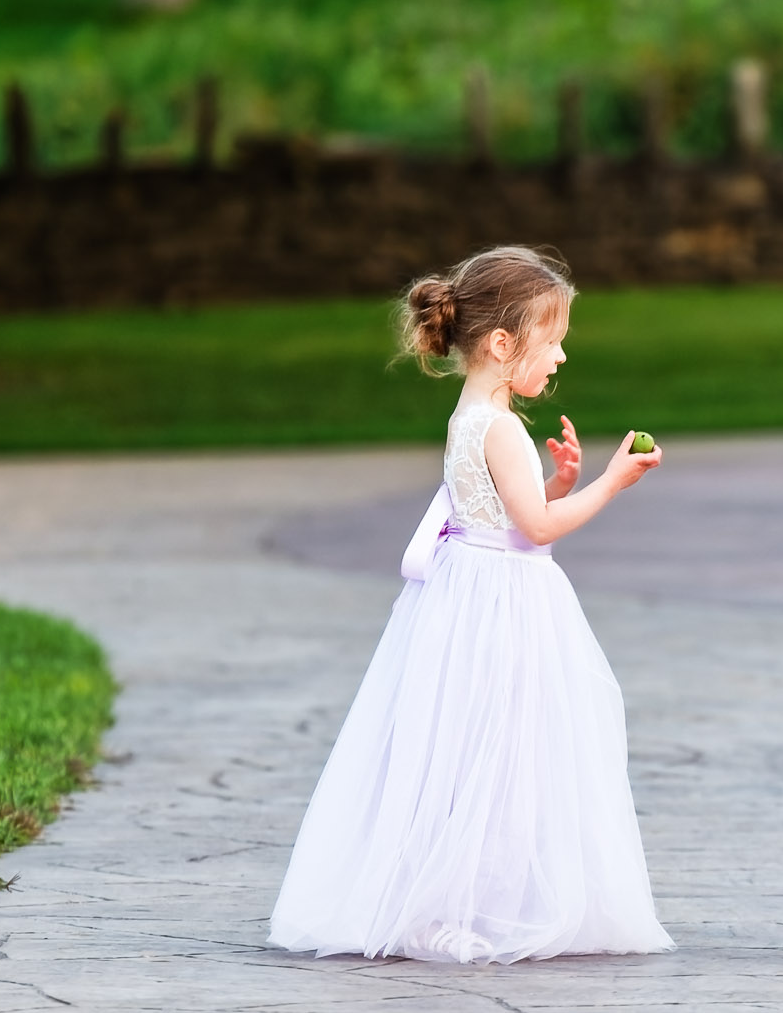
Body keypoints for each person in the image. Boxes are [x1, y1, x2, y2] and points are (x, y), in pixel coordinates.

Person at [267, 245, 672, 964]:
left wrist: (556, 481)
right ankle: (454, 904)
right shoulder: (503, 426)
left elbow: (504, 515)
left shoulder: (471, 414)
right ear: (502, 343)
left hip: (467, 593)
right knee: (504, 750)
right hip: (504, 604)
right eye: (553, 342)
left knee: (460, 749)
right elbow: (539, 533)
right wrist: (610, 483)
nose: (562, 357)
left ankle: (454, 898)